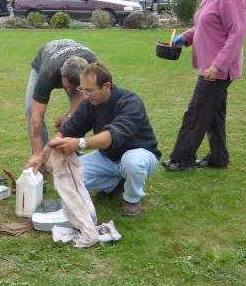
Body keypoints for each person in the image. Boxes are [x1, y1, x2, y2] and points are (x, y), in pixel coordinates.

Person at [162, 0, 246, 172]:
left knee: (196, 112)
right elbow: (205, 24)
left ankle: (182, 158)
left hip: (217, 68)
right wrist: (186, 37)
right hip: (208, 65)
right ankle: (218, 157)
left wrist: (218, 65)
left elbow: (237, 33)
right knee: (214, 113)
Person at [47, 61, 161, 217]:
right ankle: (116, 184)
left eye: (90, 90)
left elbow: (113, 136)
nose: (85, 96)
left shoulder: (130, 102)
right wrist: (43, 154)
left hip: (140, 153)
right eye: (82, 89)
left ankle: (132, 199)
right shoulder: (89, 103)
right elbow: (69, 130)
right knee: (70, 175)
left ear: (106, 86)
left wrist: (80, 143)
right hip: (107, 156)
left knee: (132, 162)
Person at [25, 39, 98, 172]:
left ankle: (73, 152)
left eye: (76, 87)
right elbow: (36, 116)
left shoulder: (92, 67)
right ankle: (41, 159)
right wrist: (37, 153)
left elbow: (85, 101)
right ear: (61, 73)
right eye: (68, 86)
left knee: (82, 111)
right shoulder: (48, 73)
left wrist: (69, 115)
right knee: (31, 110)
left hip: (75, 63)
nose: (70, 90)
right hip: (43, 62)